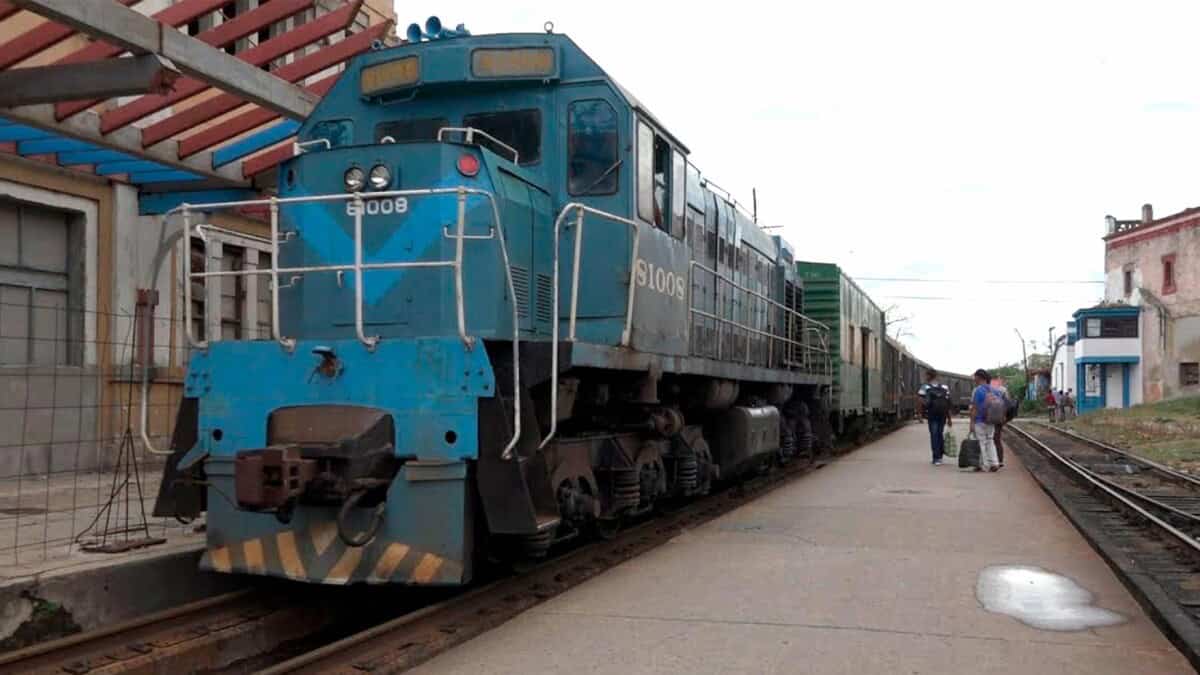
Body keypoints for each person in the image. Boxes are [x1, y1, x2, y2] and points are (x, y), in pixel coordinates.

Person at [968, 369, 1001, 472]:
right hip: (992, 420)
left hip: (980, 420)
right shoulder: (995, 390)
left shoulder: (977, 390)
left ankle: (983, 465)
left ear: (979, 377)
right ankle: (994, 463)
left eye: (975, 377)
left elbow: (974, 408)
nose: (974, 379)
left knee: (981, 442)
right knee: (990, 441)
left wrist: (972, 423)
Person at [918, 369, 953, 465]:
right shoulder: (945, 387)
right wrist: (949, 418)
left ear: (929, 376)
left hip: (932, 414)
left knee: (934, 435)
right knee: (940, 434)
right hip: (943, 415)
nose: (925, 377)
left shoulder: (925, 387)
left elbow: (920, 402)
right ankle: (940, 457)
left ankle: (936, 458)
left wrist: (920, 414)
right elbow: (948, 403)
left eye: (926, 375)